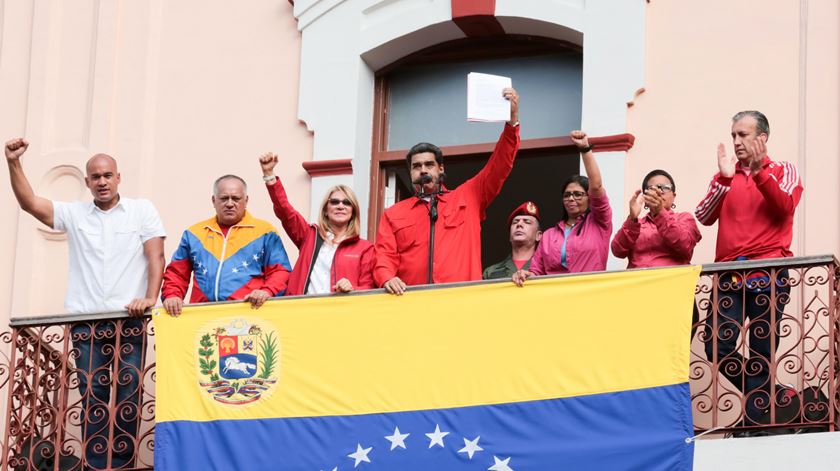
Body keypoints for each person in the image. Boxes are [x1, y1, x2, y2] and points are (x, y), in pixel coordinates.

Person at [5, 138, 165, 470]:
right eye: (95, 177)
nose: (102, 181)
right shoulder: (74, 214)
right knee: (93, 395)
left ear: (118, 177)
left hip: (129, 319)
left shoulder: (142, 210)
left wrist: (150, 298)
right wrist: (13, 162)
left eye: (107, 175)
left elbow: (156, 256)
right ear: (87, 181)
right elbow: (30, 203)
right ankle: (95, 464)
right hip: (86, 324)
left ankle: (120, 463)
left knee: (128, 395)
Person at [694, 110, 803, 425]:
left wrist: (759, 174)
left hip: (768, 272)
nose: (737, 142)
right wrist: (725, 179)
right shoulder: (725, 176)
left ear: (762, 138)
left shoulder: (784, 170)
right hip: (729, 275)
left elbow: (785, 205)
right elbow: (703, 215)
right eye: (733, 136)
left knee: (761, 350)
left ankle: (757, 422)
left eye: (743, 135)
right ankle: (768, 392)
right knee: (716, 344)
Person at [374, 88, 521, 294]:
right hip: (411, 305)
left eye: (429, 164)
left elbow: (499, 165)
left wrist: (511, 123)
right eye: (416, 166)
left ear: (441, 168)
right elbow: (384, 256)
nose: (423, 169)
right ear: (410, 172)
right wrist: (386, 278)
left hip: (462, 302)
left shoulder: (469, 195)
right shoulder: (393, 214)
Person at [161, 175, 291, 315]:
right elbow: (177, 273)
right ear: (213, 200)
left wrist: (266, 291)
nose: (230, 203)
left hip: (249, 316)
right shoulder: (194, 234)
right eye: (224, 198)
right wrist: (172, 295)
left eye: (236, 198)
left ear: (246, 200)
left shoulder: (265, 232)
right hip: (202, 317)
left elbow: (280, 271)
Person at [258, 152, 374, 295]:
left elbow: (369, 287)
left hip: (340, 313)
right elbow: (285, 210)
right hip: (302, 310)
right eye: (334, 202)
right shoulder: (309, 236)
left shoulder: (365, 248)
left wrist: (352, 288)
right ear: (326, 209)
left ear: (353, 211)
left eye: (347, 203)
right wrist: (269, 175)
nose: (340, 206)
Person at [512, 131, 611, 286]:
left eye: (578, 194)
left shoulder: (599, 223)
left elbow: (596, 186)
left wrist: (585, 149)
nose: (571, 198)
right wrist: (526, 274)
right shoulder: (548, 235)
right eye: (567, 195)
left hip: (589, 294)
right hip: (555, 298)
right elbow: (537, 272)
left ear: (589, 197)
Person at [610, 169, 701, 268]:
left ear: (673, 196)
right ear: (645, 197)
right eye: (652, 188)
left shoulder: (684, 218)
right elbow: (617, 251)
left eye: (665, 188)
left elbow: (685, 245)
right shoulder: (636, 224)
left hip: (673, 281)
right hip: (639, 282)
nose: (659, 192)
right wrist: (632, 219)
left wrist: (660, 212)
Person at [482, 201, 542, 280]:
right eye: (515, 222)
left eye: (527, 222)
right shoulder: (491, 272)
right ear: (510, 236)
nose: (519, 224)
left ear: (538, 236)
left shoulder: (545, 270)